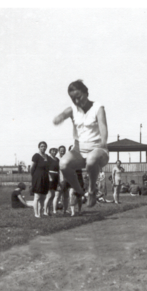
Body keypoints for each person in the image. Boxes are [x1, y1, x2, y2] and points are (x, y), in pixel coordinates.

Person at [53, 80, 109, 208]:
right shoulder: (72, 110)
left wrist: (104, 142)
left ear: (86, 93)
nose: (77, 101)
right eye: (73, 99)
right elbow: (63, 114)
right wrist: (59, 118)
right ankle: (79, 191)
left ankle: (91, 191)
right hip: (79, 150)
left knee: (91, 159)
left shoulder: (98, 108)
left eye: (79, 97)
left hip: (99, 150)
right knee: (63, 163)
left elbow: (103, 127)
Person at [30, 141, 49, 218]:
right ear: (39, 147)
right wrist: (34, 176)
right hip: (38, 177)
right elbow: (32, 168)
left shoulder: (47, 156)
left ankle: (40, 213)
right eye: (41, 146)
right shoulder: (36, 156)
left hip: (45, 177)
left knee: (43, 197)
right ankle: (36, 214)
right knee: (37, 196)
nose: (43, 148)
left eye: (44, 146)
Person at [44, 147, 60, 215]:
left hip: (56, 177)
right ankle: (45, 211)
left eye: (55, 151)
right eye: (52, 151)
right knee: (49, 195)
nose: (54, 152)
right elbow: (46, 168)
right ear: (50, 152)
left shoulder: (57, 159)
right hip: (50, 176)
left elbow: (58, 170)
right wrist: (49, 176)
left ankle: (48, 211)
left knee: (53, 195)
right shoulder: (48, 158)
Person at [55, 145, 69, 214]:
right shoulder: (56, 159)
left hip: (66, 179)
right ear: (59, 151)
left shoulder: (67, 158)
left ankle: (65, 210)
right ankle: (54, 210)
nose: (62, 152)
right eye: (61, 150)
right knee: (57, 195)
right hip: (59, 179)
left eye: (63, 150)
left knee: (66, 196)